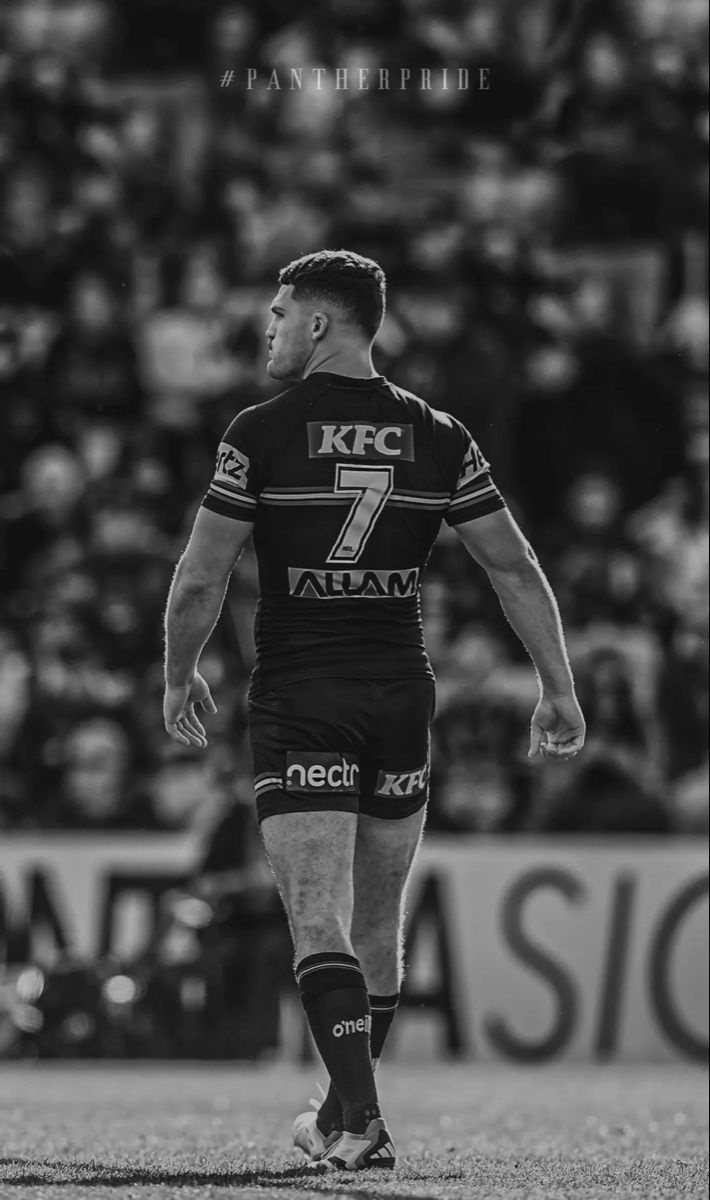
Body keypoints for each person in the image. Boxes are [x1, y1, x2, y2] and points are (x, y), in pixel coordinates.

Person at [162, 249, 585, 1171]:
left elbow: (203, 573)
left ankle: (360, 1122)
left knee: (317, 915)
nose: (269, 328)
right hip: (402, 691)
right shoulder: (439, 435)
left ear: (320, 324)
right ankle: (344, 1112)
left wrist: (177, 672)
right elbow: (510, 566)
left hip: (303, 694)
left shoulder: (260, 433)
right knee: (377, 927)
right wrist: (558, 684)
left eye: (279, 314)